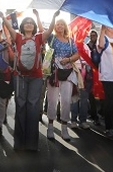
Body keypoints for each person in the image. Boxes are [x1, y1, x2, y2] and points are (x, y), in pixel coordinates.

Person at [1, 9, 45, 151]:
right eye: (26, 22)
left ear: (34, 26)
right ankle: (19, 143)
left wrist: (38, 16)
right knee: (21, 106)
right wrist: (2, 17)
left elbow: (47, 30)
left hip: (36, 77)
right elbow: (8, 26)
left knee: (32, 108)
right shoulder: (18, 37)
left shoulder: (39, 38)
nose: (28, 24)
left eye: (31, 23)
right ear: (22, 26)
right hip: (19, 76)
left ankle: (32, 144)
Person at [42, 10, 79, 141]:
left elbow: (77, 54)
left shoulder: (70, 41)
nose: (59, 26)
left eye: (61, 24)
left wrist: (68, 60)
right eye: (57, 24)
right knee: (52, 100)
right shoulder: (51, 38)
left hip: (68, 72)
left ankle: (64, 127)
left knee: (66, 101)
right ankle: (50, 127)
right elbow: (43, 30)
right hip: (54, 73)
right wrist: (53, 17)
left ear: (65, 27)